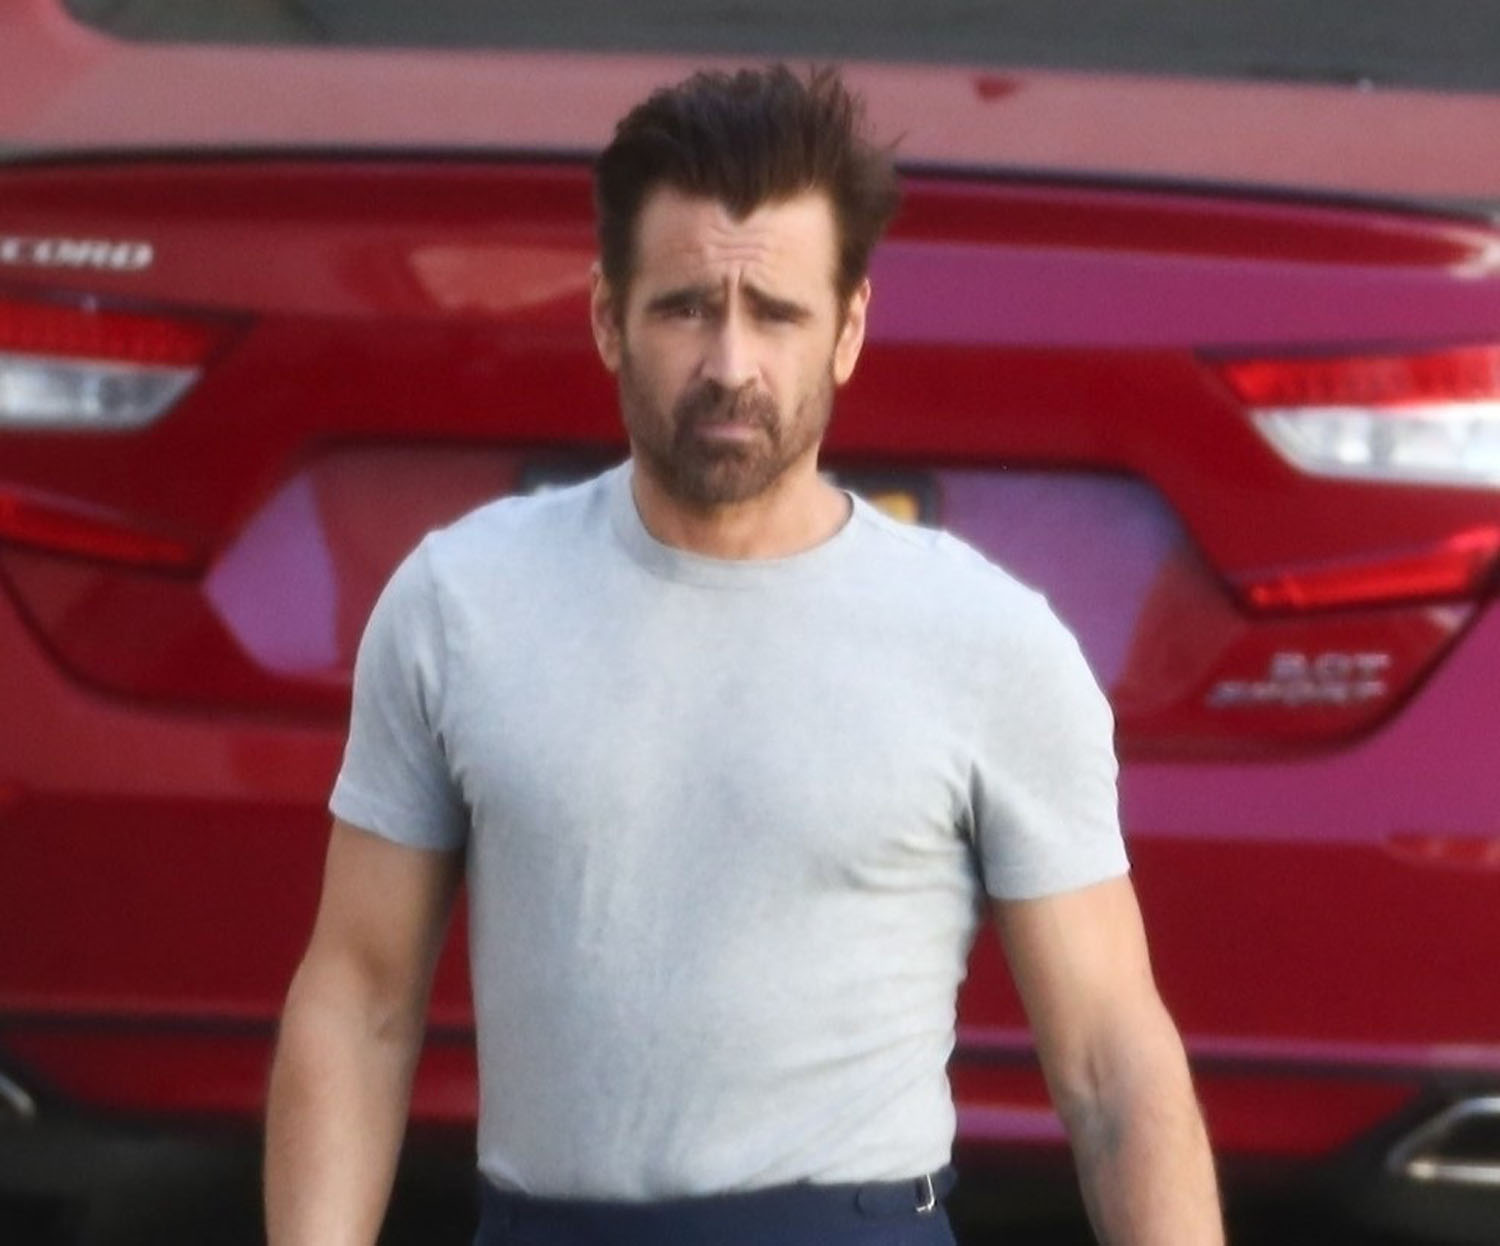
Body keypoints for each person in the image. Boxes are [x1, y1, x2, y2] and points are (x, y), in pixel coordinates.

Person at [264, 64, 1223, 1246]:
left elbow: (1113, 1060)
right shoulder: (458, 603)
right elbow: (358, 1000)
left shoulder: (987, 642)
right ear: (607, 317)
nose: (729, 364)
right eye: (684, 308)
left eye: (775, 313)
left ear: (848, 330)